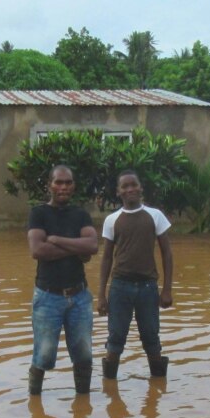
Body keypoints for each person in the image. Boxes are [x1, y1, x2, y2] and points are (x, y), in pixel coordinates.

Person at [27, 165, 100, 395]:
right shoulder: (38, 213)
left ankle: (82, 406)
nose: (63, 187)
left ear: (73, 186)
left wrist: (57, 239)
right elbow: (38, 250)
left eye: (68, 182)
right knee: (44, 354)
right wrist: (76, 246)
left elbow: (92, 246)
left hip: (79, 296)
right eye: (59, 182)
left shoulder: (81, 214)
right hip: (48, 296)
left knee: (84, 354)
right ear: (50, 184)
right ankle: (35, 406)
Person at [96, 170, 174, 379]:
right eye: (125, 186)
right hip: (120, 287)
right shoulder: (112, 220)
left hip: (148, 287)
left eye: (133, 185)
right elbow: (106, 258)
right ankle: (109, 387)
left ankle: (157, 389)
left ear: (141, 188)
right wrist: (101, 294)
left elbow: (167, 254)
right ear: (118, 192)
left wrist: (166, 290)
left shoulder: (155, 216)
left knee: (151, 338)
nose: (130, 189)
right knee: (115, 338)